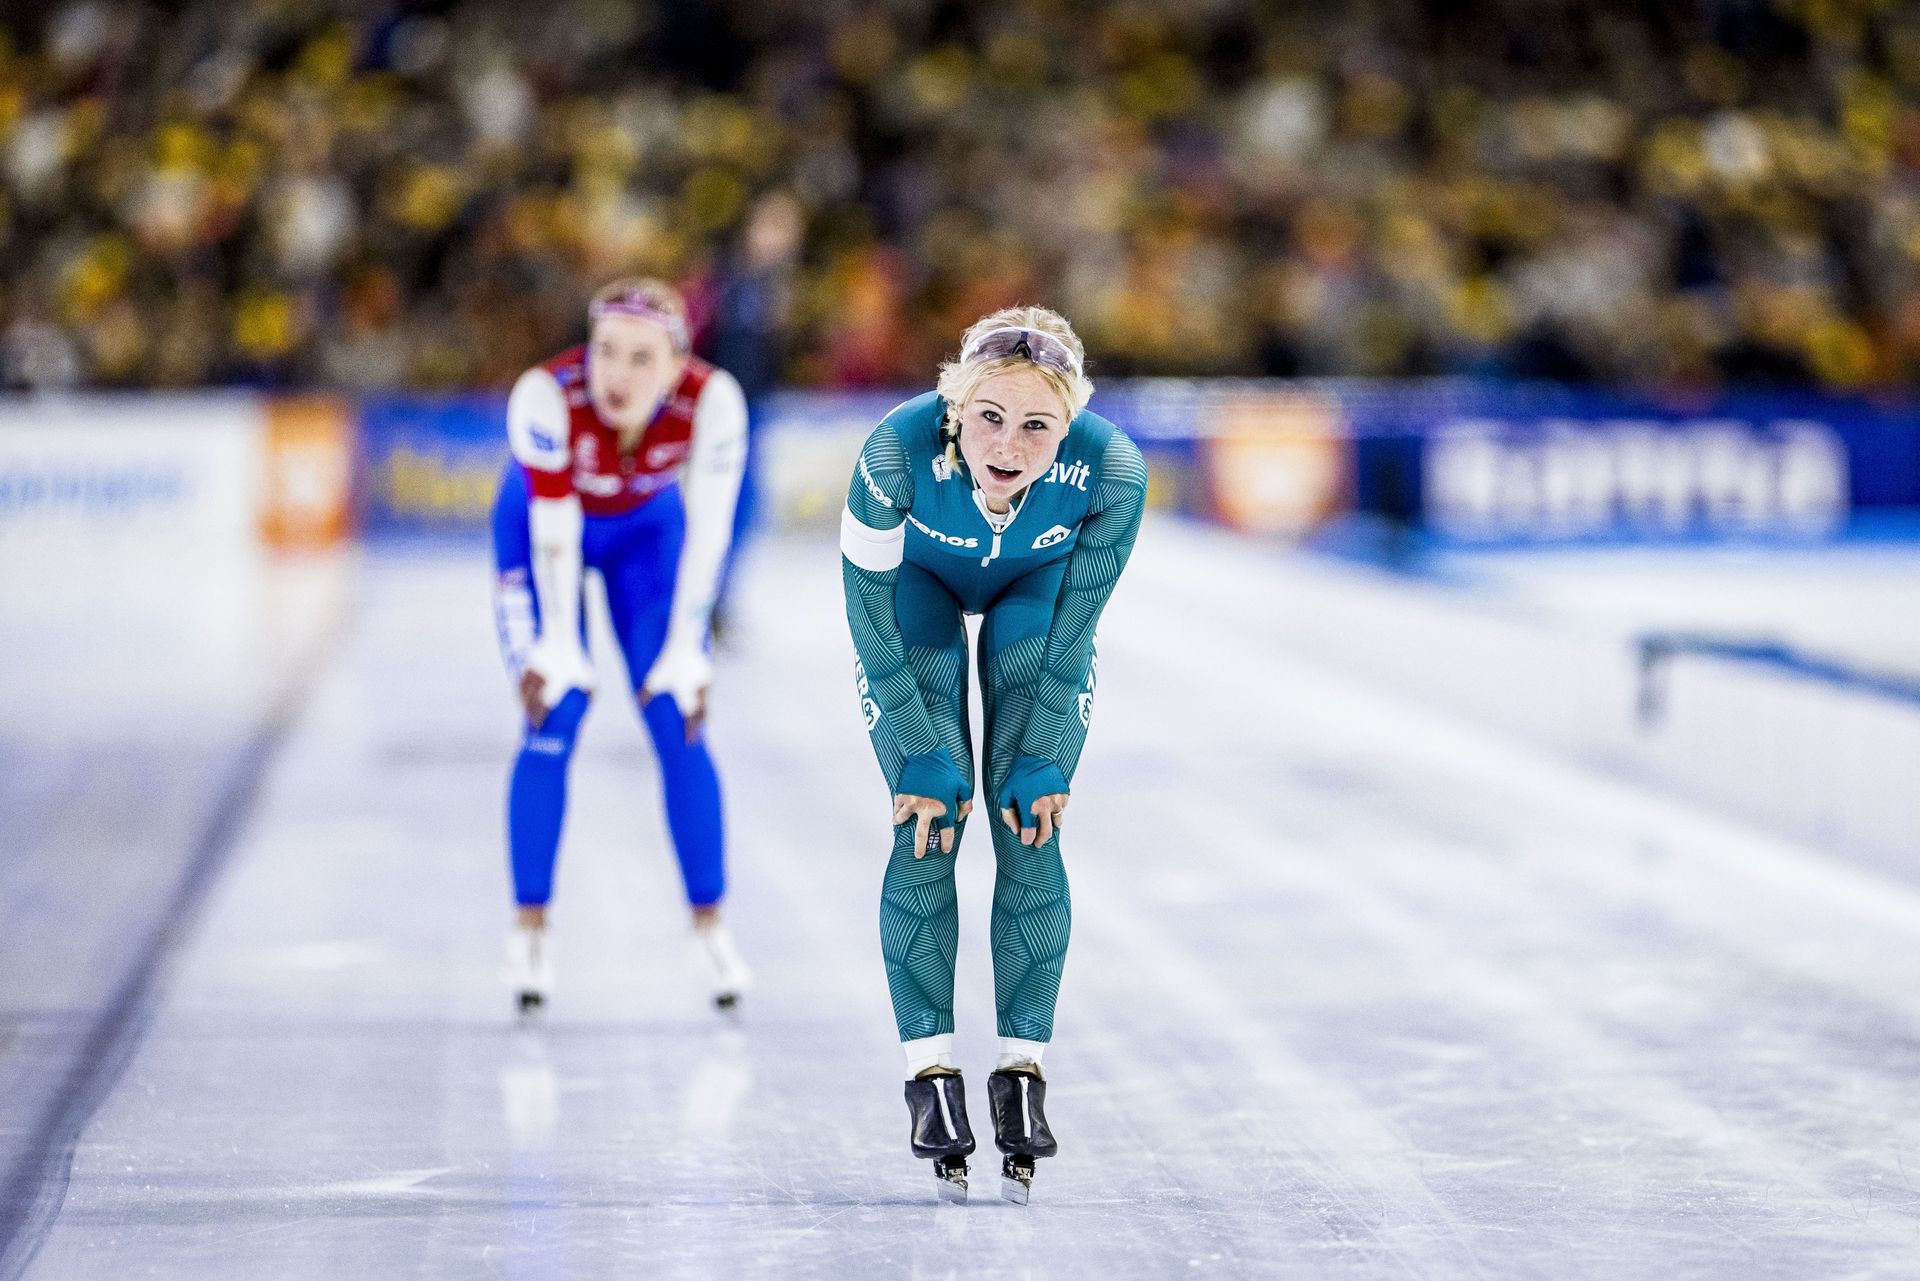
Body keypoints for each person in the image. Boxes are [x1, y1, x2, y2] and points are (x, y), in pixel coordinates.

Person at [838, 305, 1148, 1203]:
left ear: (1072, 424)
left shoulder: (1114, 471)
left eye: (1038, 425)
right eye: (989, 417)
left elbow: (1076, 633)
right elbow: (866, 613)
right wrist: (914, 740)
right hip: (918, 595)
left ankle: (1022, 1073)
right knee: (930, 821)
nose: (1009, 446)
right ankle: (930, 1075)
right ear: (954, 405)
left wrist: (1046, 751)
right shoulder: (894, 452)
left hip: (1035, 600)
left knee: (1029, 821)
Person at [491, 277, 751, 1013]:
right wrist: (560, 646)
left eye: (642, 359)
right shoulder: (545, 395)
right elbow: (554, 530)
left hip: (648, 536)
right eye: (606, 352)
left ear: (677, 367)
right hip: (543, 533)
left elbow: (710, 531)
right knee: (555, 711)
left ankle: (711, 925)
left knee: (679, 715)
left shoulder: (715, 401)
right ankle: (530, 927)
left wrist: (690, 645)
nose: (618, 375)